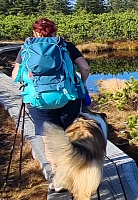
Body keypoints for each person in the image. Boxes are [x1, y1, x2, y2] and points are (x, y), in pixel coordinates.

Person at [11, 18, 90, 175]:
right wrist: (83, 83)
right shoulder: (65, 46)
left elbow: (15, 76)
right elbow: (85, 67)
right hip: (68, 98)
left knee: (48, 140)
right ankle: (74, 171)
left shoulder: (26, 49)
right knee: (70, 135)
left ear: (35, 32)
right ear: (55, 32)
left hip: (38, 100)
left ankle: (58, 176)